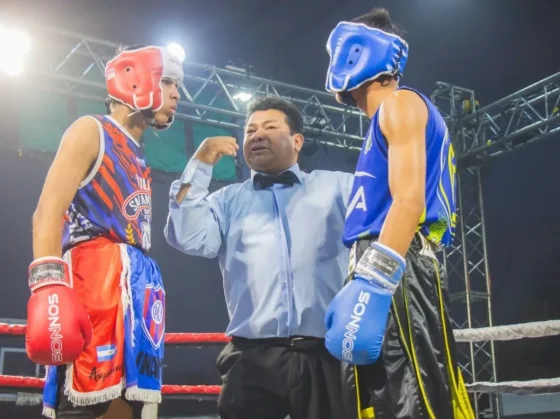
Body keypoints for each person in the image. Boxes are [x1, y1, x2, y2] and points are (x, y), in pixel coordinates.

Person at [322, 8, 475, 419]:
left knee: (408, 404)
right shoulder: (386, 120)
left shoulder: (400, 105)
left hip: (394, 268)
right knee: (383, 403)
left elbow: (409, 202)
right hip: (391, 265)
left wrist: (373, 280)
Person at [164, 96, 354, 419]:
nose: (257, 135)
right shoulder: (227, 200)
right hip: (250, 358)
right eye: (250, 130)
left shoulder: (338, 187)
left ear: (297, 141)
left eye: (269, 127)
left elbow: (391, 213)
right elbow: (185, 234)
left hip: (324, 353)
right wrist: (200, 163)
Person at [26, 44, 183, 419]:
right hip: (95, 283)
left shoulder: (139, 152)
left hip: (136, 288)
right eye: (169, 81)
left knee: (134, 407)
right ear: (135, 77)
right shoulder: (91, 130)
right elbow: (47, 212)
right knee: (91, 405)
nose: (177, 94)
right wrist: (49, 289)